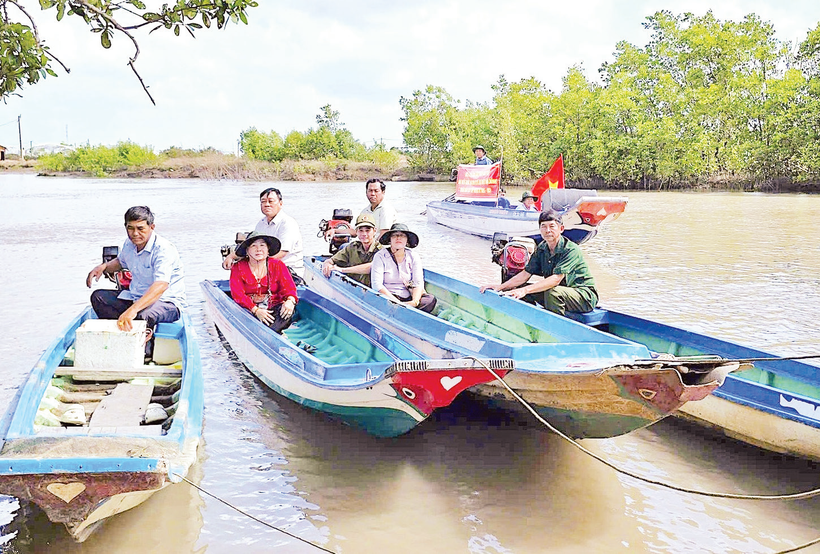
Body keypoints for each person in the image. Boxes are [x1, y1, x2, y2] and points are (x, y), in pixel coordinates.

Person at [86, 206, 186, 357]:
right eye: (130, 228)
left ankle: (144, 350)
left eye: (140, 228)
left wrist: (132, 310)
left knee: (143, 314)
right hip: (136, 297)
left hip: (167, 302)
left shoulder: (163, 249)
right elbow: (121, 262)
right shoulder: (129, 244)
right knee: (98, 297)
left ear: (151, 227)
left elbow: (161, 285)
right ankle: (120, 338)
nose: (135, 233)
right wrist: (104, 267)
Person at [480, 211, 597, 316]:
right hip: (560, 290)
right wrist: (500, 287)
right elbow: (525, 274)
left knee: (552, 292)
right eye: (543, 227)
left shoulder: (571, 249)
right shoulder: (542, 248)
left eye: (552, 226)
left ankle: (555, 327)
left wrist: (525, 291)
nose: (548, 230)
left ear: (561, 229)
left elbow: (555, 279)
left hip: (583, 296)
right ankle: (528, 320)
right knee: (517, 289)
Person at [223, 187, 304, 281]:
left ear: (280, 203)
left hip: (289, 274)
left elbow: (281, 253)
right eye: (263, 201)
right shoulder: (261, 224)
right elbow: (251, 247)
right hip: (265, 270)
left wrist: (253, 261)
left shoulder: (288, 223)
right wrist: (232, 256)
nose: (267, 205)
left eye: (271, 201)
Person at [229, 232, 298, 334]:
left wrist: (290, 301)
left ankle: (273, 331)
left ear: (268, 250)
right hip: (248, 309)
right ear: (247, 251)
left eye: (262, 245)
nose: (259, 249)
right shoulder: (238, 267)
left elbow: (289, 289)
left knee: (287, 311)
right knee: (252, 321)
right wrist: (256, 310)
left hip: (273, 309)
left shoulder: (278, 265)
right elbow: (238, 295)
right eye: (254, 246)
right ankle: (271, 332)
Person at [370, 223, 436, 313]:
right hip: (389, 297)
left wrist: (415, 302)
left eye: (402, 236)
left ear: (407, 240)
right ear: (390, 240)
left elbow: (418, 282)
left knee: (430, 300)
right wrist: (396, 303)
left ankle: (407, 311)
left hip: (408, 297)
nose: (398, 238)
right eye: (395, 235)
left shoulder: (413, 256)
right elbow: (377, 285)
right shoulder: (380, 256)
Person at [321, 213, 380, 287]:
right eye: (361, 230)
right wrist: (327, 265)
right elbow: (331, 260)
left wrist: (342, 270)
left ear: (374, 231)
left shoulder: (381, 250)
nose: (364, 234)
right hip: (353, 289)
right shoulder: (352, 247)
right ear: (356, 232)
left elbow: (372, 267)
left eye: (367, 230)